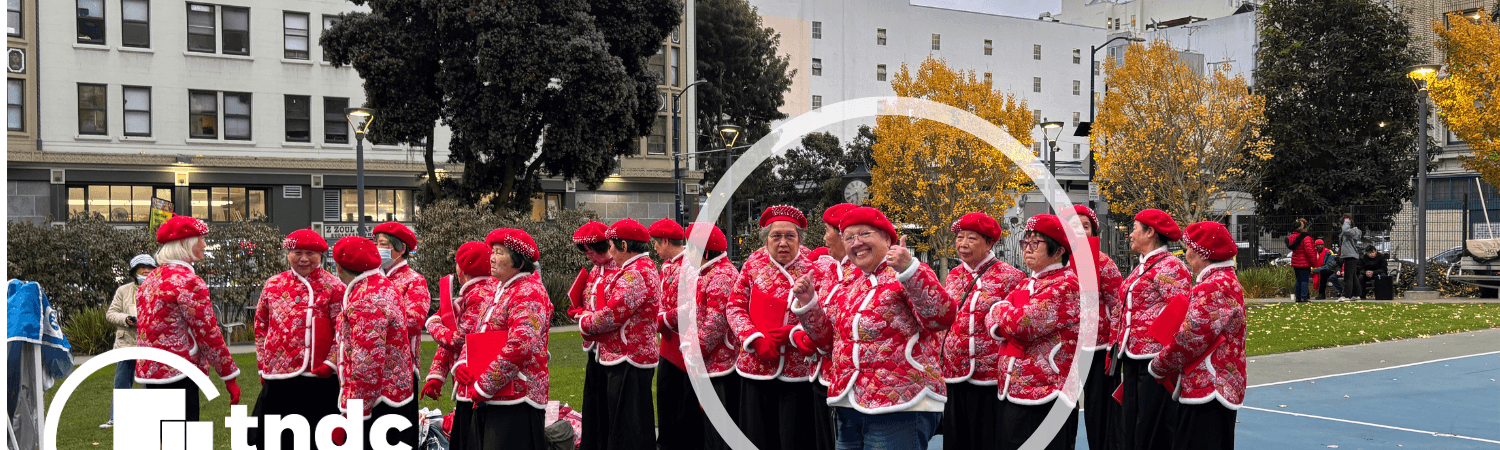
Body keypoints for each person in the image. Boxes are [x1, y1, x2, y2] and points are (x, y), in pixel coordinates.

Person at [790, 206, 956, 450]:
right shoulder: (850, 283)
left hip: (899, 403)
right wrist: (809, 304)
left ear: (887, 238)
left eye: (865, 234)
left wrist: (910, 270)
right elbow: (828, 343)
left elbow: (940, 318)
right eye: (849, 237)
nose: (856, 243)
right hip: (850, 402)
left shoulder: (905, 273)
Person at [724, 206, 825, 450]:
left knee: (795, 438)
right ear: (766, 238)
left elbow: (824, 312)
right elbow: (734, 306)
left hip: (797, 369)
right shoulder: (753, 264)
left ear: (800, 239)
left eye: (790, 236)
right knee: (756, 436)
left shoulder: (815, 267)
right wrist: (753, 338)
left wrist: (797, 334)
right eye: (775, 236)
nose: (782, 242)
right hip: (755, 367)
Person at [986, 214, 1083, 449]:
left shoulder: (1066, 286)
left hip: (1047, 390)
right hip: (1015, 385)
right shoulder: (1026, 283)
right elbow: (989, 319)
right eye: (1025, 243)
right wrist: (1003, 313)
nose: (1027, 249)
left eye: (1035, 243)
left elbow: (1023, 324)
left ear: (1059, 250)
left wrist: (1002, 311)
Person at [1148, 221, 1247, 450]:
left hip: (1210, 384)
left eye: (1189, 248)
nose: (1187, 254)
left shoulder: (1212, 286)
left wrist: (1159, 365)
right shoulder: (1224, 280)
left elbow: (1191, 338)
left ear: (1202, 253)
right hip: (1219, 381)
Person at [135, 216, 241, 421]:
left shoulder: (152, 278)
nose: (204, 244)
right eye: (200, 239)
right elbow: (208, 333)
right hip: (179, 369)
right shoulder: (188, 281)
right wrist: (228, 376)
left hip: (151, 369)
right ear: (186, 243)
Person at [938, 212, 1026, 450]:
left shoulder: (1012, 277)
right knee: (956, 439)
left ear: (989, 243)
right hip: (955, 372)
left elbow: (1017, 325)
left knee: (987, 439)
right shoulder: (954, 276)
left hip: (989, 376)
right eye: (959, 237)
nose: (963, 244)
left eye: (971, 238)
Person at [250, 229, 345, 450]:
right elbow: (261, 324)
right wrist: (263, 364)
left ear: (321, 255)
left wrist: (330, 363)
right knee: (273, 438)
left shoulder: (334, 287)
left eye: (310, 253)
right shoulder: (273, 284)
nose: (303, 258)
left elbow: (341, 330)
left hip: (317, 377)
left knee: (315, 437)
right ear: (288, 254)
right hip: (278, 376)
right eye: (298, 252)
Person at [578, 218, 661, 450]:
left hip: (629, 355)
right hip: (629, 354)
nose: (610, 251)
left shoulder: (635, 273)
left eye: (612, 245)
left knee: (628, 425)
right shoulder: (640, 268)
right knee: (629, 421)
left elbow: (612, 315)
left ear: (624, 246)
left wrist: (584, 322)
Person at [468, 228, 552, 450]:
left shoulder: (528, 292)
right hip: (496, 392)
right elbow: (481, 332)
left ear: (519, 262)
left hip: (517, 396)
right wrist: (467, 367)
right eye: (492, 252)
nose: (492, 258)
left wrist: (484, 385)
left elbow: (520, 347)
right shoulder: (501, 288)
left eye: (499, 252)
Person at [1115, 209, 1192, 450]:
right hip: (1133, 355)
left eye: (1135, 229)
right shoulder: (1144, 265)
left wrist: (1167, 358)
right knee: (1133, 422)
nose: (1131, 234)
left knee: (1153, 426)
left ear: (1150, 232)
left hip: (1155, 359)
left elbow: (1180, 314)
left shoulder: (1170, 266)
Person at [330, 236, 415, 450]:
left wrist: (353, 415)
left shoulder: (365, 298)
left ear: (339, 268)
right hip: (392, 392)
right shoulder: (383, 285)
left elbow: (367, 365)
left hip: (378, 403)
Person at [423, 241, 498, 450]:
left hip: (474, 378)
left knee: (469, 438)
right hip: (479, 379)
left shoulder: (477, 296)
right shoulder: (479, 292)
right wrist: (436, 375)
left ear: (462, 267)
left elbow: (459, 340)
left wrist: (432, 323)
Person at [1065, 205, 1125, 450]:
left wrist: (1112, 346)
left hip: (1098, 351)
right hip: (1065, 351)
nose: (1079, 231)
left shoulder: (1104, 263)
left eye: (1085, 226)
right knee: (1062, 410)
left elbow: (1118, 306)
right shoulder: (1057, 260)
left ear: (1093, 232)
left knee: (1099, 413)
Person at [678, 223, 741, 450]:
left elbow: (716, 322)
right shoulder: (708, 272)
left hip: (719, 365)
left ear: (704, 251)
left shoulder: (722, 275)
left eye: (691, 247)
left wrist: (693, 350)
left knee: (718, 431)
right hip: (706, 362)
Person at [807, 203, 859, 450]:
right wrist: (802, 331)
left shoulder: (861, 271)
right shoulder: (828, 270)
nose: (825, 237)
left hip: (846, 380)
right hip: (821, 373)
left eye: (828, 230)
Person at [647, 218, 703, 450]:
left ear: (666, 240)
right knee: (666, 395)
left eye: (656, 244)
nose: (655, 249)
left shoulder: (690, 266)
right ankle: (668, 440)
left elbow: (694, 304)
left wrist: (663, 318)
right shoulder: (667, 266)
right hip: (668, 342)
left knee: (684, 400)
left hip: (686, 342)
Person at [372, 222, 429, 414]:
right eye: (377, 244)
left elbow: (413, 322)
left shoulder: (414, 280)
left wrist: (372, 324)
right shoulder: (372, 278)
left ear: (401, 248)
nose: (378, 249)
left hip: (400, 367)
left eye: (384, 244)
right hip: (370, 364)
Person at [102, 254, 157, 429]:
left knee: (151, 382)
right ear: (134, 271)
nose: (146, 270)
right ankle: (116, 419)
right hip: (127, 344)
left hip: (151, 345)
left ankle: (150, 419)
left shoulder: (160, 288)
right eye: (142, 267)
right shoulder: (123, 291)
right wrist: (127, 319)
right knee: (122, 382)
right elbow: (111, 314)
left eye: (150, 267)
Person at [1287, 219, 1316, 303]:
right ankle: (1304, 297)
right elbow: (1309, 251)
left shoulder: (1292, 237)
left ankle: (1298, 297)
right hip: (1304, 262)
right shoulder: (1306, 238)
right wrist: (1313, 263)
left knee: (1298, 280)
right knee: (1304, 280)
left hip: (1296, 262)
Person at [1339, 215, 1364, 301]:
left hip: (1351, 255)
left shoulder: (1354, 231)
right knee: (1353, 276)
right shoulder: (1350, 231)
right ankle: (1356, 295)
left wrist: (1346, 220)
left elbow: (1345, 230)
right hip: (1350, 255)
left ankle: (1346, 296)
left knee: (1348, 276)